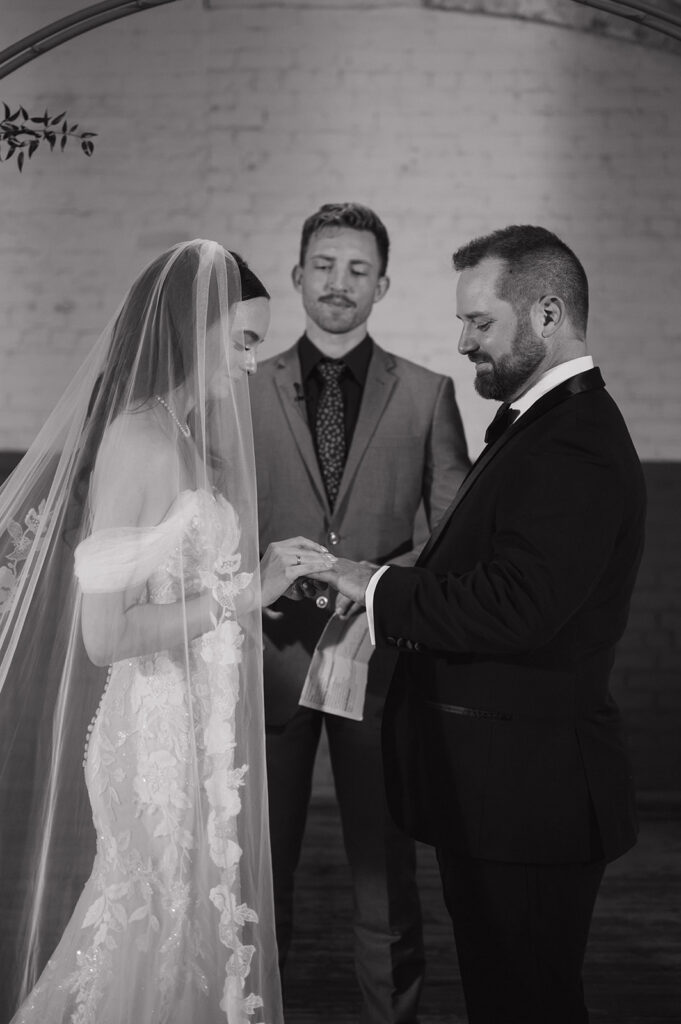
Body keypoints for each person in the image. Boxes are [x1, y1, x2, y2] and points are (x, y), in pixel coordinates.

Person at [311, 225, 646, 1024]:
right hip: (502, 792)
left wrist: (374, 585)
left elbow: (513, 607)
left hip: (531, 798)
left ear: (548, 313)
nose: (462, 342)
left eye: (479, 323)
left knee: (526, 1000)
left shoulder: (576, 443)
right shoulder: (542, 427)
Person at [0, 239, 337, 1024]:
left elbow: (186, 582)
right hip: (151, 736)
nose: (254, 363)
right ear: (194, 329)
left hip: (193, 726)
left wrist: (259, 581)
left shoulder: (185, 437)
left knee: (187, 936)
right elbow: (105, 637)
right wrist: (243, 595)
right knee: (149, 932)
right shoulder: (140, 440)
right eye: (244, 341)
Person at [249, 202, 470, 1022]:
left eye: (357, 269)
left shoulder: (426, 394)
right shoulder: (242, 389)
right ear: (298, 272)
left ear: (383, 283)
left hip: (380, 660)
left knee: (384, 870)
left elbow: (449, 539)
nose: (338, 283)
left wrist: (376, 595)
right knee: (257, 869)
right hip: (268, 652)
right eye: (324, 264)